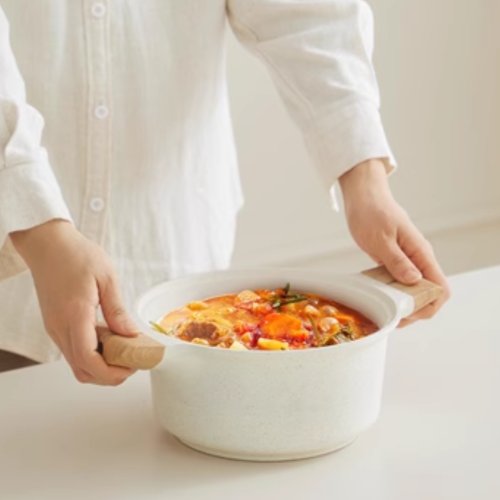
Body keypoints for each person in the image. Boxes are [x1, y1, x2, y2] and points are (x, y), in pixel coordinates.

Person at [0, 1, 450, 386]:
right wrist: (39, 229)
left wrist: (364, 178)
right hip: (12, 295)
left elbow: (306, 14)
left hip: (178, 253)